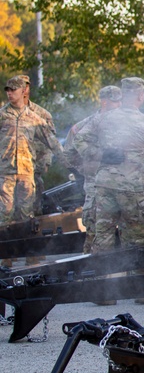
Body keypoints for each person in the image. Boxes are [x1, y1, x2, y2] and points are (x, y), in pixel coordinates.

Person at [70, 77, 144, 304]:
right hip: (133, 190)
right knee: (136, 239)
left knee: (104, 237)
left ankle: (102, 292)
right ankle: (139, 290)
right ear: (140, 97)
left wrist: (99, 155)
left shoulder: (101, 119)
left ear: (123, 95)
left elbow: (78, 141)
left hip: (104, 188)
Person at [64, 85, 122, 254]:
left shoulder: (124, 124)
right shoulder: (86, 125)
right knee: (94, 230)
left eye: (120, 102)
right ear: (104, 102)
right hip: (95, 185)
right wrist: (85, 168)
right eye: (115, 102)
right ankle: (91, 270)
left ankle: (114, 274)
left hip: (120, 185)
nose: (118, 105)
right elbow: (69, 153)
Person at [0, 75, 63, 227]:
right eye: (7, 90)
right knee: (4, 212)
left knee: (26, 214)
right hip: (5, 171)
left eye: (13, 90)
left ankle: (26, 247)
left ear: (23, 91)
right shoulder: (2, 115)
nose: (9, 93)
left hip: (27, 172)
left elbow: (52, 141)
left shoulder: (34, 117)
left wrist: (70, 161)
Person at [15, 75, 56, 216]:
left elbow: (50, 142)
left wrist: (44, 164)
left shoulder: (42, 114)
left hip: (34, 169)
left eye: (25, 86)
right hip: (10, 170)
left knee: (34, 209)